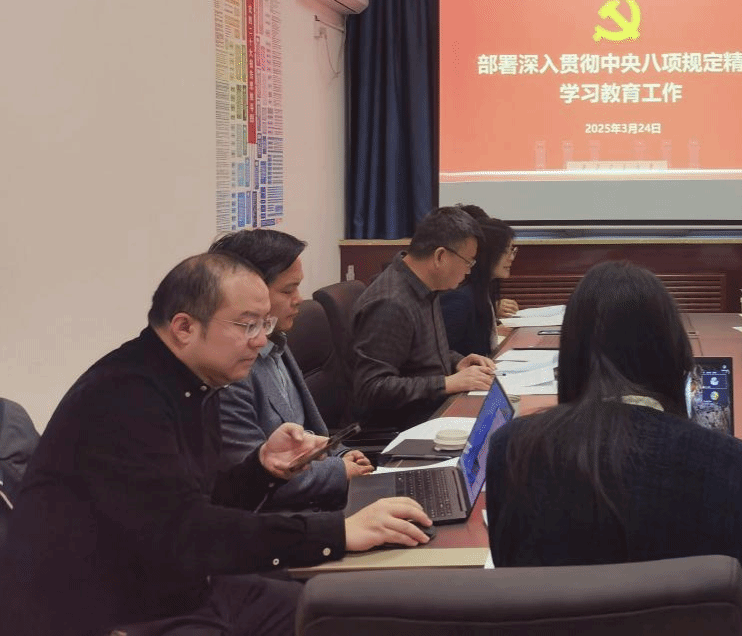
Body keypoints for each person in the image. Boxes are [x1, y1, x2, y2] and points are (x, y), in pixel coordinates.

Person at [0, 253, 433, 636]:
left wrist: (262, 469)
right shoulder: (124, 399)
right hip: (110, 611)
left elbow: (199, 503)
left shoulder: (194, 382)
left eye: (264, 324)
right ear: (184, 327)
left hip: (180, 585)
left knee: (347, 614)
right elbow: (187, 533)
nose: (261, 340)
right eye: (248, 325)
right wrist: (338, 531)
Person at [485, 261, 742, 636]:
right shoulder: (727, 462)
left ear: (571, 351)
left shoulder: (512, 448)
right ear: (672, 350)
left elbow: (511, 590)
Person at [212, 228, 373, 511]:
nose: (299, 299)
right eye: (288, 290)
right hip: (285, 516)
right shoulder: (229, 372)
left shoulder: (276, 341)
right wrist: (339, 471)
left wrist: (342, 454)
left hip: (319, 498)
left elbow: (311, 432)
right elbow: (256, 480)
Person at [352, 206, 498, 431]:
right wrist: (446, 383)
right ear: (440, 256)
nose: (468, 271)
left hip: (433, 412)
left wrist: (456, 362)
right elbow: (372, 389)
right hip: (403, 429)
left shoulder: (424, 286)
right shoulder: (391, 304)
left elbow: (416, 358)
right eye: (468, 262)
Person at [440, 217, 516, 358]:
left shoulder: (485, 289)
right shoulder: (459, 298)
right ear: (486, 253)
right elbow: (441, 355)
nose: (511, 257)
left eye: (512, 250)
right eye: (506, 251)